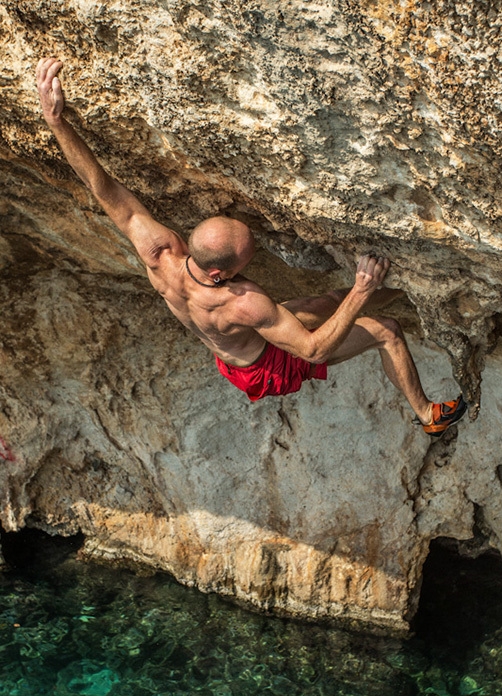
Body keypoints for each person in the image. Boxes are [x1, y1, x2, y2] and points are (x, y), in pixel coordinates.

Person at [36, 57, 466, 438]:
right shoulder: (246, 303)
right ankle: (428, 413)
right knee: (385, 331)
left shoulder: (162, 256)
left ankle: (409, 287)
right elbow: (313, 349)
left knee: (323, 302)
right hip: (267, 369)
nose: (255, 260)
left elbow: (104, 189)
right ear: (222, 275)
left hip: (234, 349)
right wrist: (361, 291)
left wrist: (57, 121)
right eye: (249, 259)